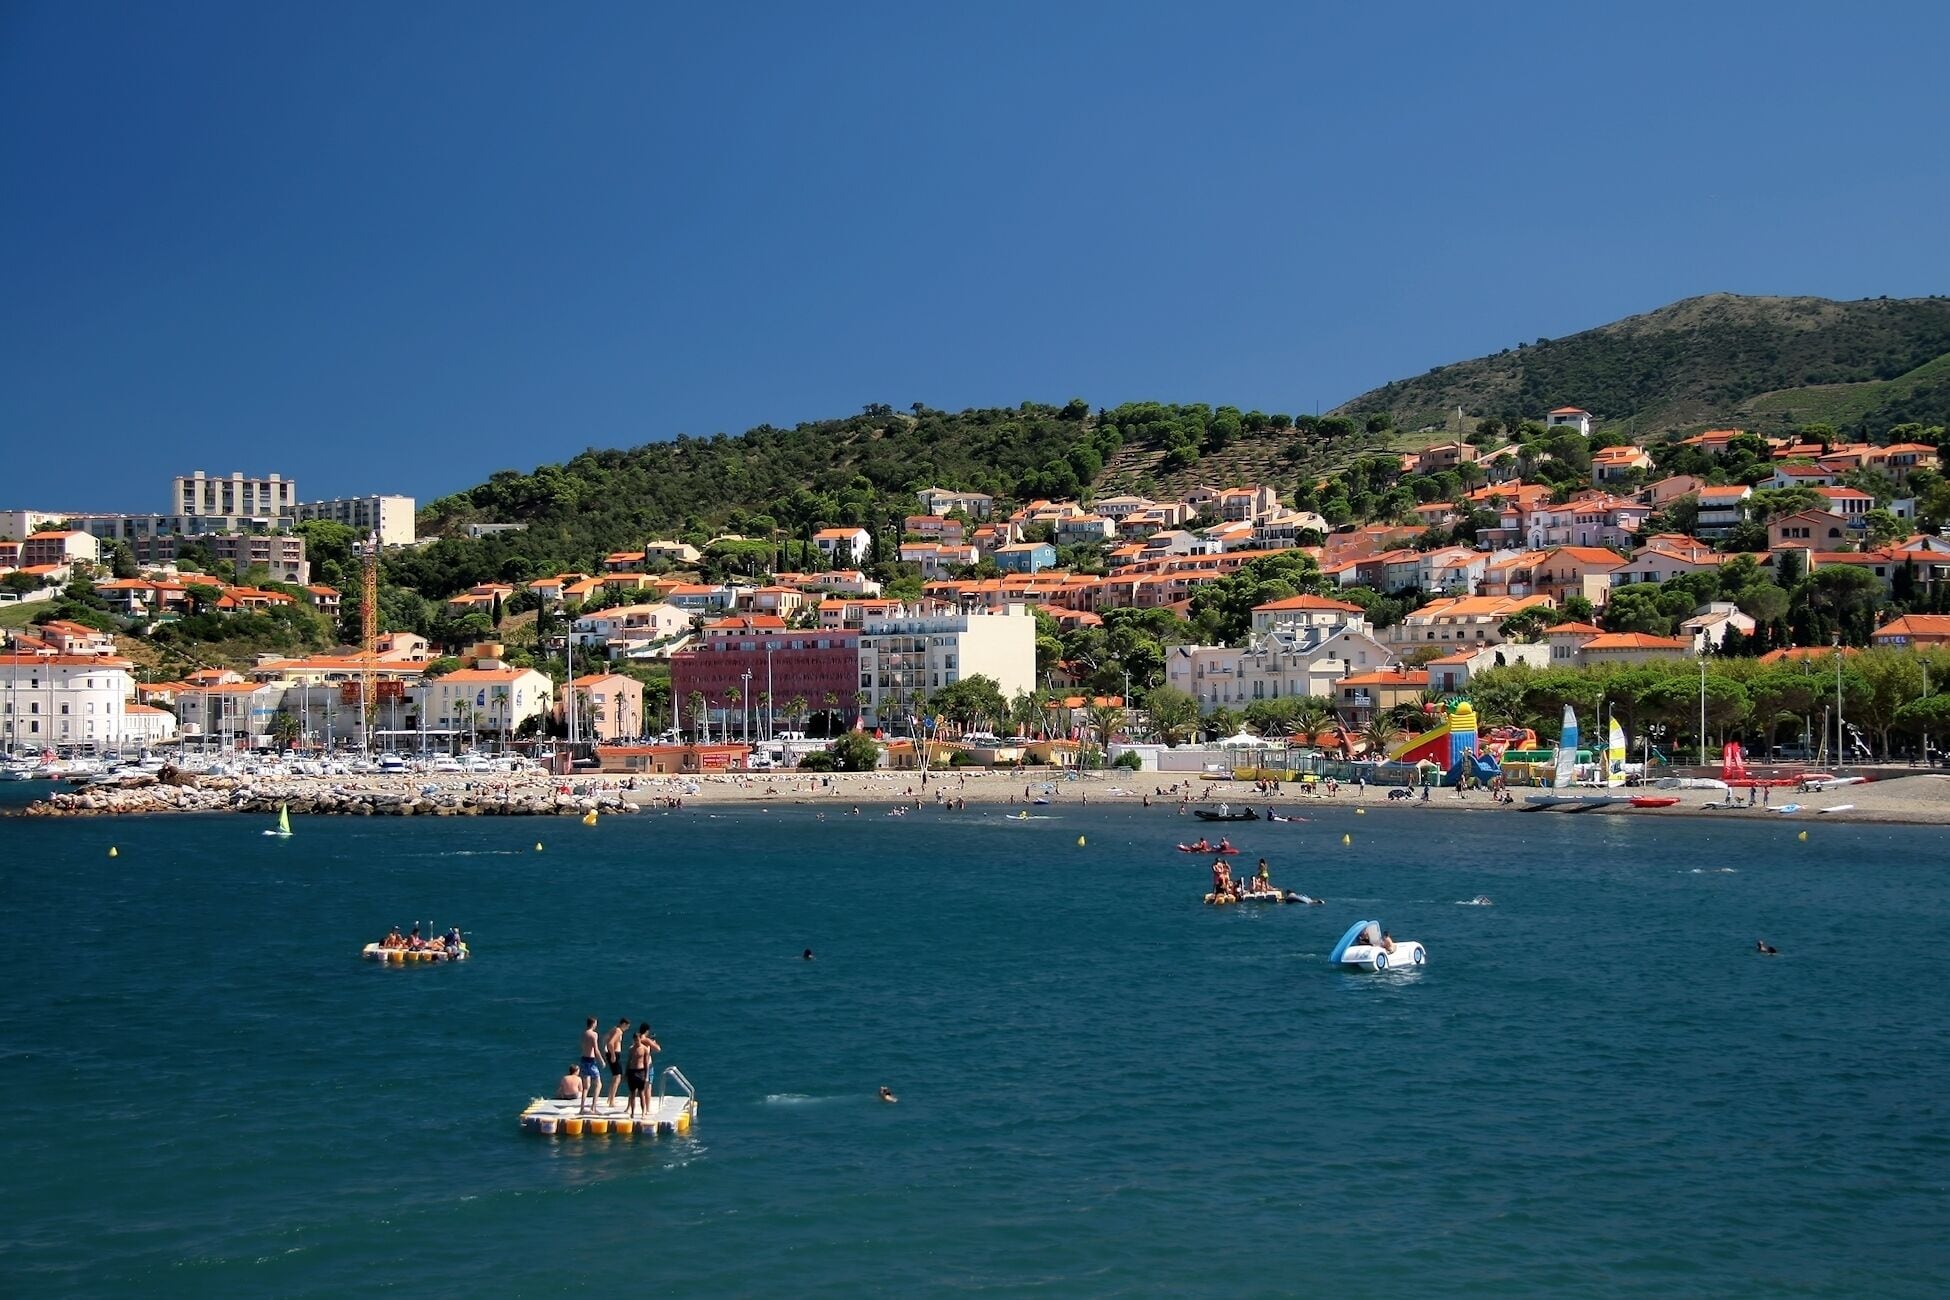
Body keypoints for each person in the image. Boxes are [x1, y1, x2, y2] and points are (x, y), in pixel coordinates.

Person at [627, 1025, 660, 1116]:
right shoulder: (646, 1041)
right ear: (646, 1031)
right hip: (645, 1067)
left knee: (633, 1091)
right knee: (647, 1088)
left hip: (633, 1069)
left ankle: (629, 1107)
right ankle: (647, 1108)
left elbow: (629, 1060)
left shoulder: (634, 1043)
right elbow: (658, 1049)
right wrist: (654, 1042)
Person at [577, 1017, 603, 1114]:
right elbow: (595, 1049)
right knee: (598, 1084)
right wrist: (601, 1061)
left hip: (583, 1060)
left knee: (586, 1086)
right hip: (591, 1061)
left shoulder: (583, 1034)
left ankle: (582, 1108)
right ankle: (593, 1107)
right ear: (593, 1024)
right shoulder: (594, 1034)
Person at [603, 1016, 630, 1106]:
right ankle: (611, 1101)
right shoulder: (618, 1031)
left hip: (610, 1053)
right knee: (618, 1077)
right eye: (627, 1027)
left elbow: (605, 1039)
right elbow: (610, 1042)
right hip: (615, 1053)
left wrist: (606, 1052)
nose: (627, 1029)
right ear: (623, 1024)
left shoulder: (613, 1029)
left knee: (615, 1077)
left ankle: (610, 1098)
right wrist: (613, 1055)